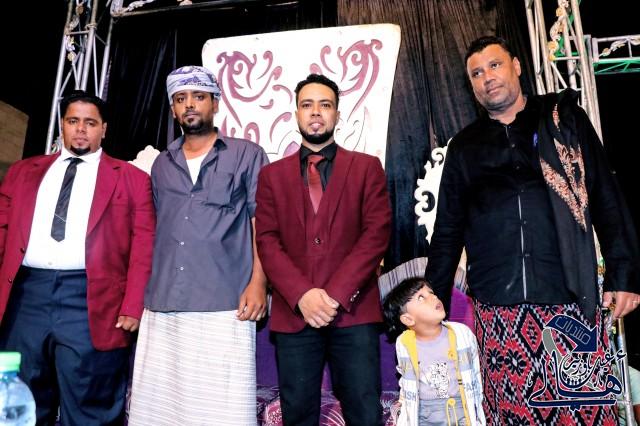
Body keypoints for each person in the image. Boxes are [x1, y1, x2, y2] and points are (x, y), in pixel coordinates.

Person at [425, 35, 640, 424]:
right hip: (499, 309)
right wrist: (432, 304)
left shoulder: (563, 122)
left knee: (583, 411)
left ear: (516, 66)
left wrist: (623, 275)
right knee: (514, 415)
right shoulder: (465, 147)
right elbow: (447, 231)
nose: (487, 77)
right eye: (477, 73)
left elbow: (605, 196)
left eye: (494, 65)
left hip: (569, 298)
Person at [0, 90, 155, 425]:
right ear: (62, 125)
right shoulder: (23, 171)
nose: (81, 129)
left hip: (92, 300)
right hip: (26, 298)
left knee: (90, 406)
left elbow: (144, 246)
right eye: (73, 121)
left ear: (104, 129)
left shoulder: (132, 179)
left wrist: (133, 305)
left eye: (90, 123)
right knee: (20, 404)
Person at [127, 65, 269, 425]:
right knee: (162, 410)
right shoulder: (161, 164)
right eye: (180, 99)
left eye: (199, 96)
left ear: (215, 104)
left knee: (222, 410)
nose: (189, 104)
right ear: (173, 110)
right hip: (165, 302)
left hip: (225, 302)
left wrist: (259, 282)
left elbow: (262, 223)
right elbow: (155, 231)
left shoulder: (247, 154)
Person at [255, 73, 392, 425]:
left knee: (364, 412)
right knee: (298, 414)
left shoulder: (367, 168)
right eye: (307, 104)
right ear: (296, 114)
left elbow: (376, 234)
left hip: (354, 311)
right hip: (294, 315)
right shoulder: (271, 176)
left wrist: (334, 295)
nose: (316, 112)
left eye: (325, 104)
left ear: (337, 114)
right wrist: (302, 295)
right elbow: (267, 240)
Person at [382, 278, 485, 426]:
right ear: (408, 319)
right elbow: (406, 378)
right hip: (424, 414)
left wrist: (479, 410)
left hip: (461, 409)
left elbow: (476, 370)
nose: (433, 297)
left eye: (431, 292)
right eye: (421, 298)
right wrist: (404, 404)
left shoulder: (461, 334)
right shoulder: (404, 344)